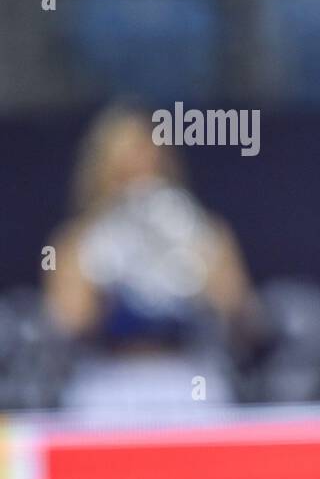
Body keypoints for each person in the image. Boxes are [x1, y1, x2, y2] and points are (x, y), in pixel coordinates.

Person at [44, 105, 257, 413]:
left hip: (189, 379)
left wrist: (195, 254)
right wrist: (103, 256)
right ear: (102, 169)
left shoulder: (201, 228)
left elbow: (241, 314)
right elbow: (69, 322)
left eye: (148, 160)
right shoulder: (77, 239)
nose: (140, 172)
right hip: (108, 383)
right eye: (125, 167)